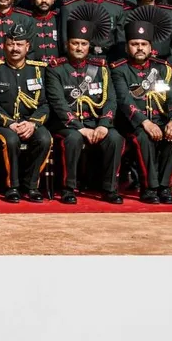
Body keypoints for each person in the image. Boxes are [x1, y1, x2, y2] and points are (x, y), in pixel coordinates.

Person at [45, 18, 123, 205]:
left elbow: (111, 99)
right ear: (67, 44)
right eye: (75, 43)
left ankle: (110, 188)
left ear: (89, 46)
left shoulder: (101, 69)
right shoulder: (56, 68)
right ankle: (68, 188)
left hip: (95, 121)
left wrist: (104, 125)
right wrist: (80, 127)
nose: (79, 47)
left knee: (115, 138)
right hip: (67, 124)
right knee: (73, 139)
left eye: (83, 44)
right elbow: (58, 102)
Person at [113, 19, 172, 204]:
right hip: (132, 123)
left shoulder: (163, 68)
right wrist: (144, 122)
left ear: (150, 46)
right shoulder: (119, 69)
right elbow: (124, 100)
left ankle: (165, 186)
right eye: (134, 44)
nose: (139, 48)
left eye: (143, 44)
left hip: (160, 120)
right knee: (143, 138)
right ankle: (149, 187)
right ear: (127, 46)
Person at [0, 25, 51, 203]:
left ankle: (32, 185)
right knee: (10, 140)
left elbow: (45, 103)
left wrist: (33, 123)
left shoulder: (39, 70)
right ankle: (12, 186)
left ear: (27, 46)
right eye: (11, 44)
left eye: (19, 44)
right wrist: (10, 123)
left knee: (45, 139)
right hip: (3, 123)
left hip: (30, 122)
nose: (15, 48)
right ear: (3, 46)